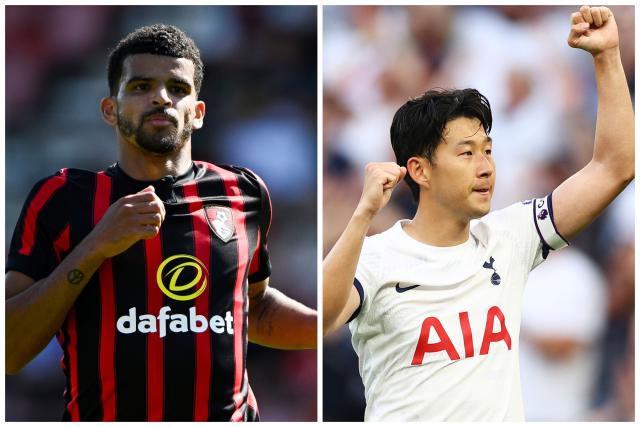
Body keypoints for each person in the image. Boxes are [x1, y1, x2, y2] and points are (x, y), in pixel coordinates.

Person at [323, 6, 633, 421]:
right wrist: (361, 216)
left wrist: (607, 56)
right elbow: (321, 320)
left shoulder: (512, 235)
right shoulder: (375, 258)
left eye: (487, 151)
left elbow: (614, 167)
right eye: (466, 153)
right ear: (419, 169)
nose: (486, 166)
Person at [6, 24, 317, 421]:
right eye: (140, 87)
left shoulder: (243, 192)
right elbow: (11, 351)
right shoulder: (62, 198)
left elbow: (251, 308)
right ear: (110, 109)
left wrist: (327, 324)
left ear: (199, 113)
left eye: (178, 88)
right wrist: (94, 247)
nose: (161, 98)